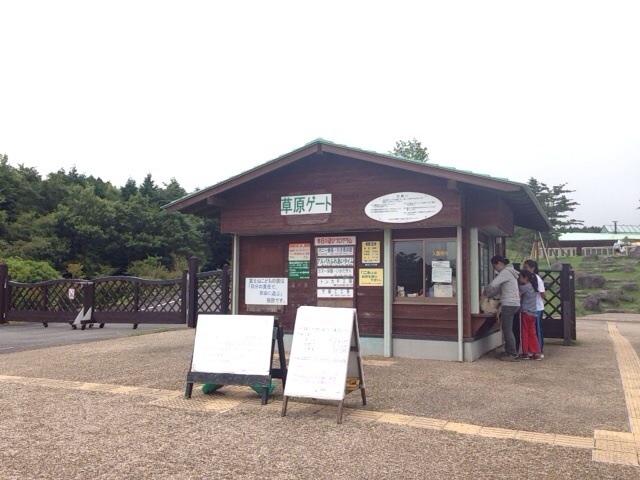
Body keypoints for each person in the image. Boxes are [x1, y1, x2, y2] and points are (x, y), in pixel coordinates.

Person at [483, 255, 521, 361]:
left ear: (499, 263)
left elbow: (493, 284)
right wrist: (490, 295)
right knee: (508, 329)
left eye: (495, 266)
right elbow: (499, 289)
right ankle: (509, 351)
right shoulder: (510, 273)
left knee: (507, 330)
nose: (495, 269)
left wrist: (485, 291)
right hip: (514, 303)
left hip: (509, 304)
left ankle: (512, 353)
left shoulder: (505, 272)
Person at [523, 259, 546, 358]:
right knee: (533, 330)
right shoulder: (529, 278)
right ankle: (532, 349)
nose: (524, 270)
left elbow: (543, 293)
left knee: (536, 330)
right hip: (532, 307)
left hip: (537, 307)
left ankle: (538, 349)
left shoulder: (536, 278)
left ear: (533, 268)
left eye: (526, 268)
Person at [518, 269, 542, 360]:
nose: (519, 279)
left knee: (524, 332)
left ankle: (525, 352)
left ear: (526, 278)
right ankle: (536, 352)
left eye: (520, 277)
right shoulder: (533, 287)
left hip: (525, 312)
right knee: (532, 333)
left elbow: (517, 294)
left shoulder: (524, 287)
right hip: (533, 313)